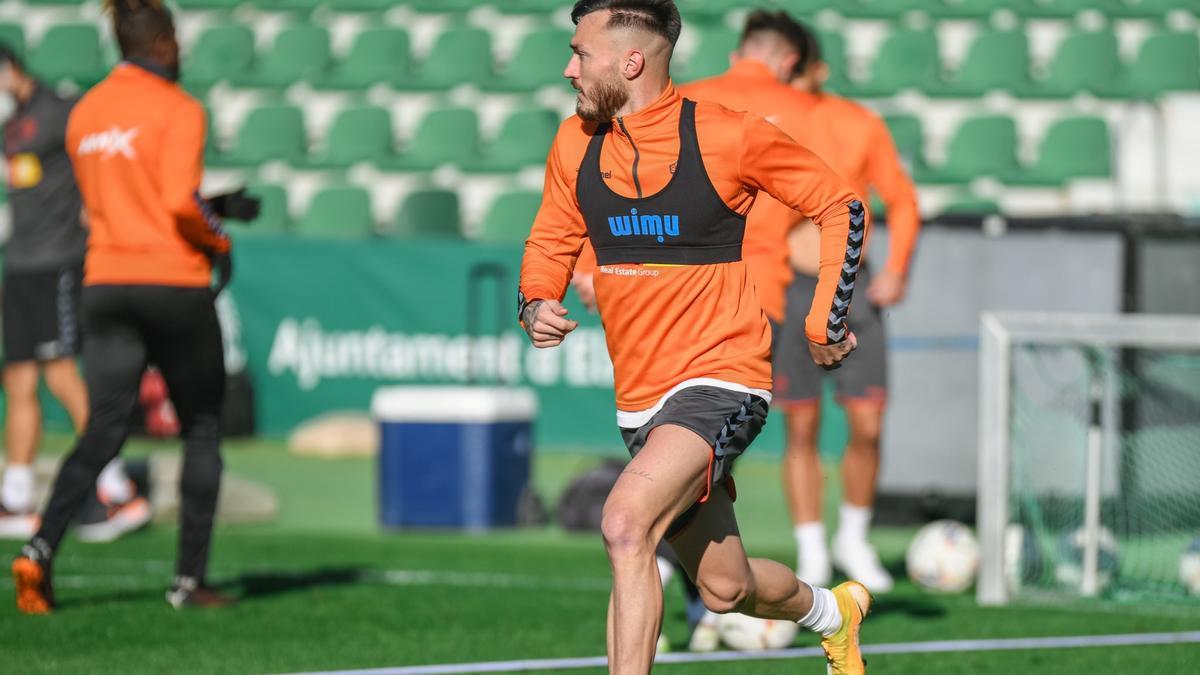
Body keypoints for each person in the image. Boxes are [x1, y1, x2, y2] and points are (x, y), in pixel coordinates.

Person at [520, 2, 871, 672]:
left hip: (722, 377)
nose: (569, 69)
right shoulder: (574, 142)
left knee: (625, 522)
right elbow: (550, 238)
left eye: (580, 54)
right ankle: (833, 612)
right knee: (725, 585)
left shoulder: (726, 135)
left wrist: (824, 316)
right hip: (640, 401)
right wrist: (537, 299)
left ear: (631, 62)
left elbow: (839, 202)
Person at [12, 0, 258, 614]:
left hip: (105, 282)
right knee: (202, 425)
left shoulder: (86, 111)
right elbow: (177, 203)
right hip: (171, 281)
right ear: (166, 43)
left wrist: (215, 206)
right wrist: (219, 236)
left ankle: (40, 549)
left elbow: (124, 197)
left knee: (101, 429)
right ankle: (188, 582)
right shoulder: (179, 109)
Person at [774, 16, 921, 594]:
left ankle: (852, 537)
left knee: (867, 424)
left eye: (793, 70)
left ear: (817, 70)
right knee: (801, 425)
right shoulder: (770, 124)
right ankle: (811, 548)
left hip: (855, 286)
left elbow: (902, 201)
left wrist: (899, 269)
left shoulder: (858, 123)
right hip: (792, 285)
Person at [0, 45, 150, 542]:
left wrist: (97, 208)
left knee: (62, 374)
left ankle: (117, 489)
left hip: (57, 262)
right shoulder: (12, 124)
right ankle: (16, 499)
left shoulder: (60, 110)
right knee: (18, 378)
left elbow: (104, 151)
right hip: (20, 264)